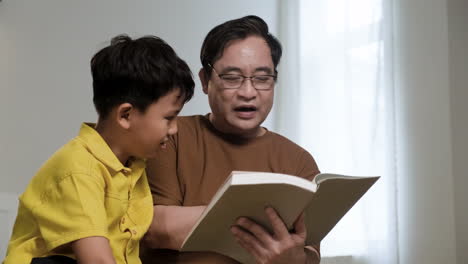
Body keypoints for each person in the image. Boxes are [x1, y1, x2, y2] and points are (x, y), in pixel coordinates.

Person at [141, 15, 321, 264]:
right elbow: (156, 229)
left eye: (262, 78)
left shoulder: (298, 161)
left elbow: (309, 253)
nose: (248, 92)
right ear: (205, 80)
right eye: (232, 78)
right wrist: (268, 230)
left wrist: (291, 258)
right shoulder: (170, 135)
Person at [3, 34, 194, 264]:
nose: (174, 129)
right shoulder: (78, 168)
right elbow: (98, 261)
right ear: (126, 115)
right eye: (169, 118)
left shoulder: (133, 167)